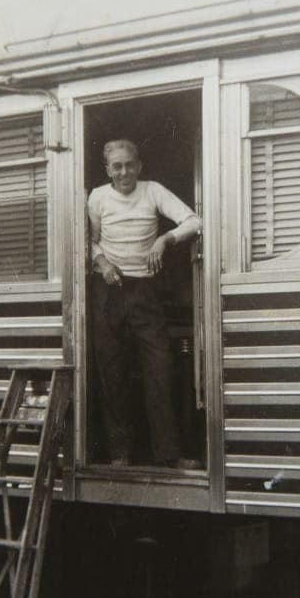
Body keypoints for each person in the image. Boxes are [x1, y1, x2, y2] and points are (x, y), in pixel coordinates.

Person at [88, 138, 203, 469]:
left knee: (160, 369)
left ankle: (168, 453)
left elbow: (194, 221)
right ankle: (120, 453)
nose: (124, 172)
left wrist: (165, 239)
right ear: (107, 170)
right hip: (108, 290)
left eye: (129, 164)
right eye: (116, 166)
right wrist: (103, 263)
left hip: (145, 292)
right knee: (112, 371)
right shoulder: (97, 197)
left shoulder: (153, 190)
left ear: (139, 166)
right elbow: (89, 240)